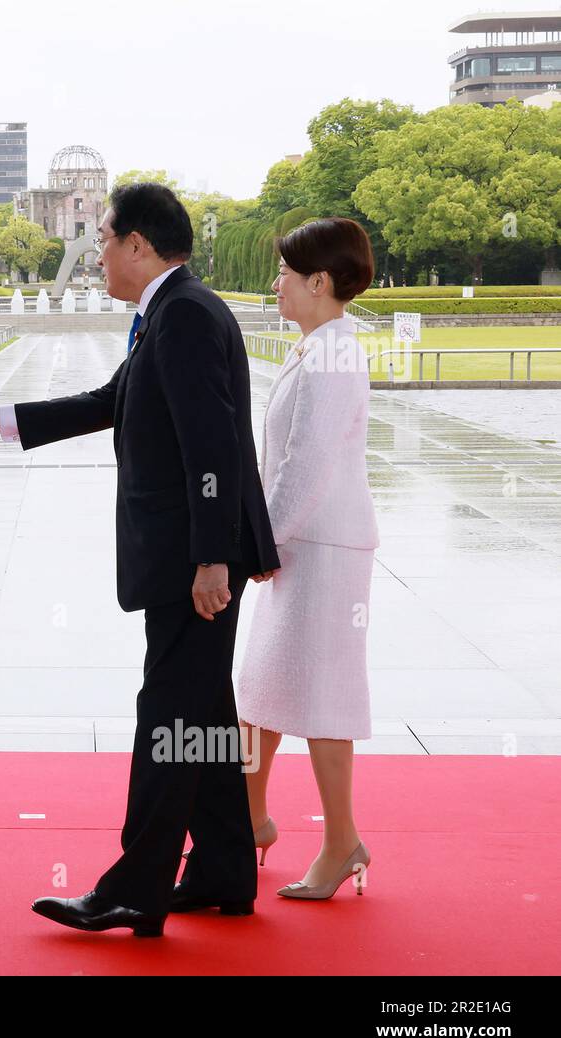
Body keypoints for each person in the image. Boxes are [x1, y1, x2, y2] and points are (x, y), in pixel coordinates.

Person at [0, 183, 280, 936]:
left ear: (138, 245)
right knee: (201, 712)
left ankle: (133, 887)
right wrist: (1, 421)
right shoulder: (169, 311)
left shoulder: (183, 315)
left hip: (195, 561)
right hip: (188, 554)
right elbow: (109, 401)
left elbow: (212, 446)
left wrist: (212, 559)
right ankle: (224, 867)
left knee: (167, 716)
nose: (97, 255)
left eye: (106, 241)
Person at [236, 217, 379, 900]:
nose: (276, 283)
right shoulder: (318, 346)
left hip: (319, 549)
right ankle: (250, 818)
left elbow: (309, 461)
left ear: (320, 282)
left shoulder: (331, 353)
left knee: (321, 702)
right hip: (304, 545)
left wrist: (263, 539)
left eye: (286, 273)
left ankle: (340, 841)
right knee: (260, 690)